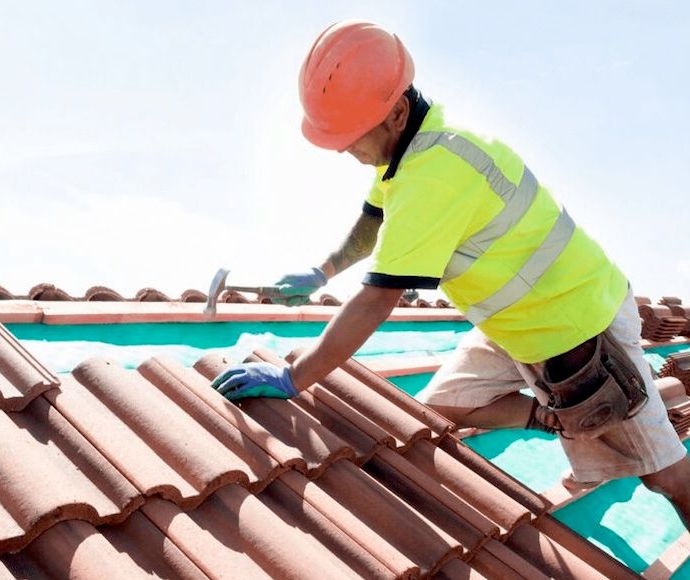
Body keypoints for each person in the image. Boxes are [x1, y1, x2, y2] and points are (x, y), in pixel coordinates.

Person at [212, 20, 690, 525]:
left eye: (351, 140)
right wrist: (322, 270)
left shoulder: (434, 174)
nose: (346, 153)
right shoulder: (405, 149)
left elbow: (377, 299)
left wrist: (294, 376)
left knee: (667, 478)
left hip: (579, 328)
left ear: (395, 113)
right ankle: (551, 416)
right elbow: (374, 219)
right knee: (441, 405)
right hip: (515, 328)